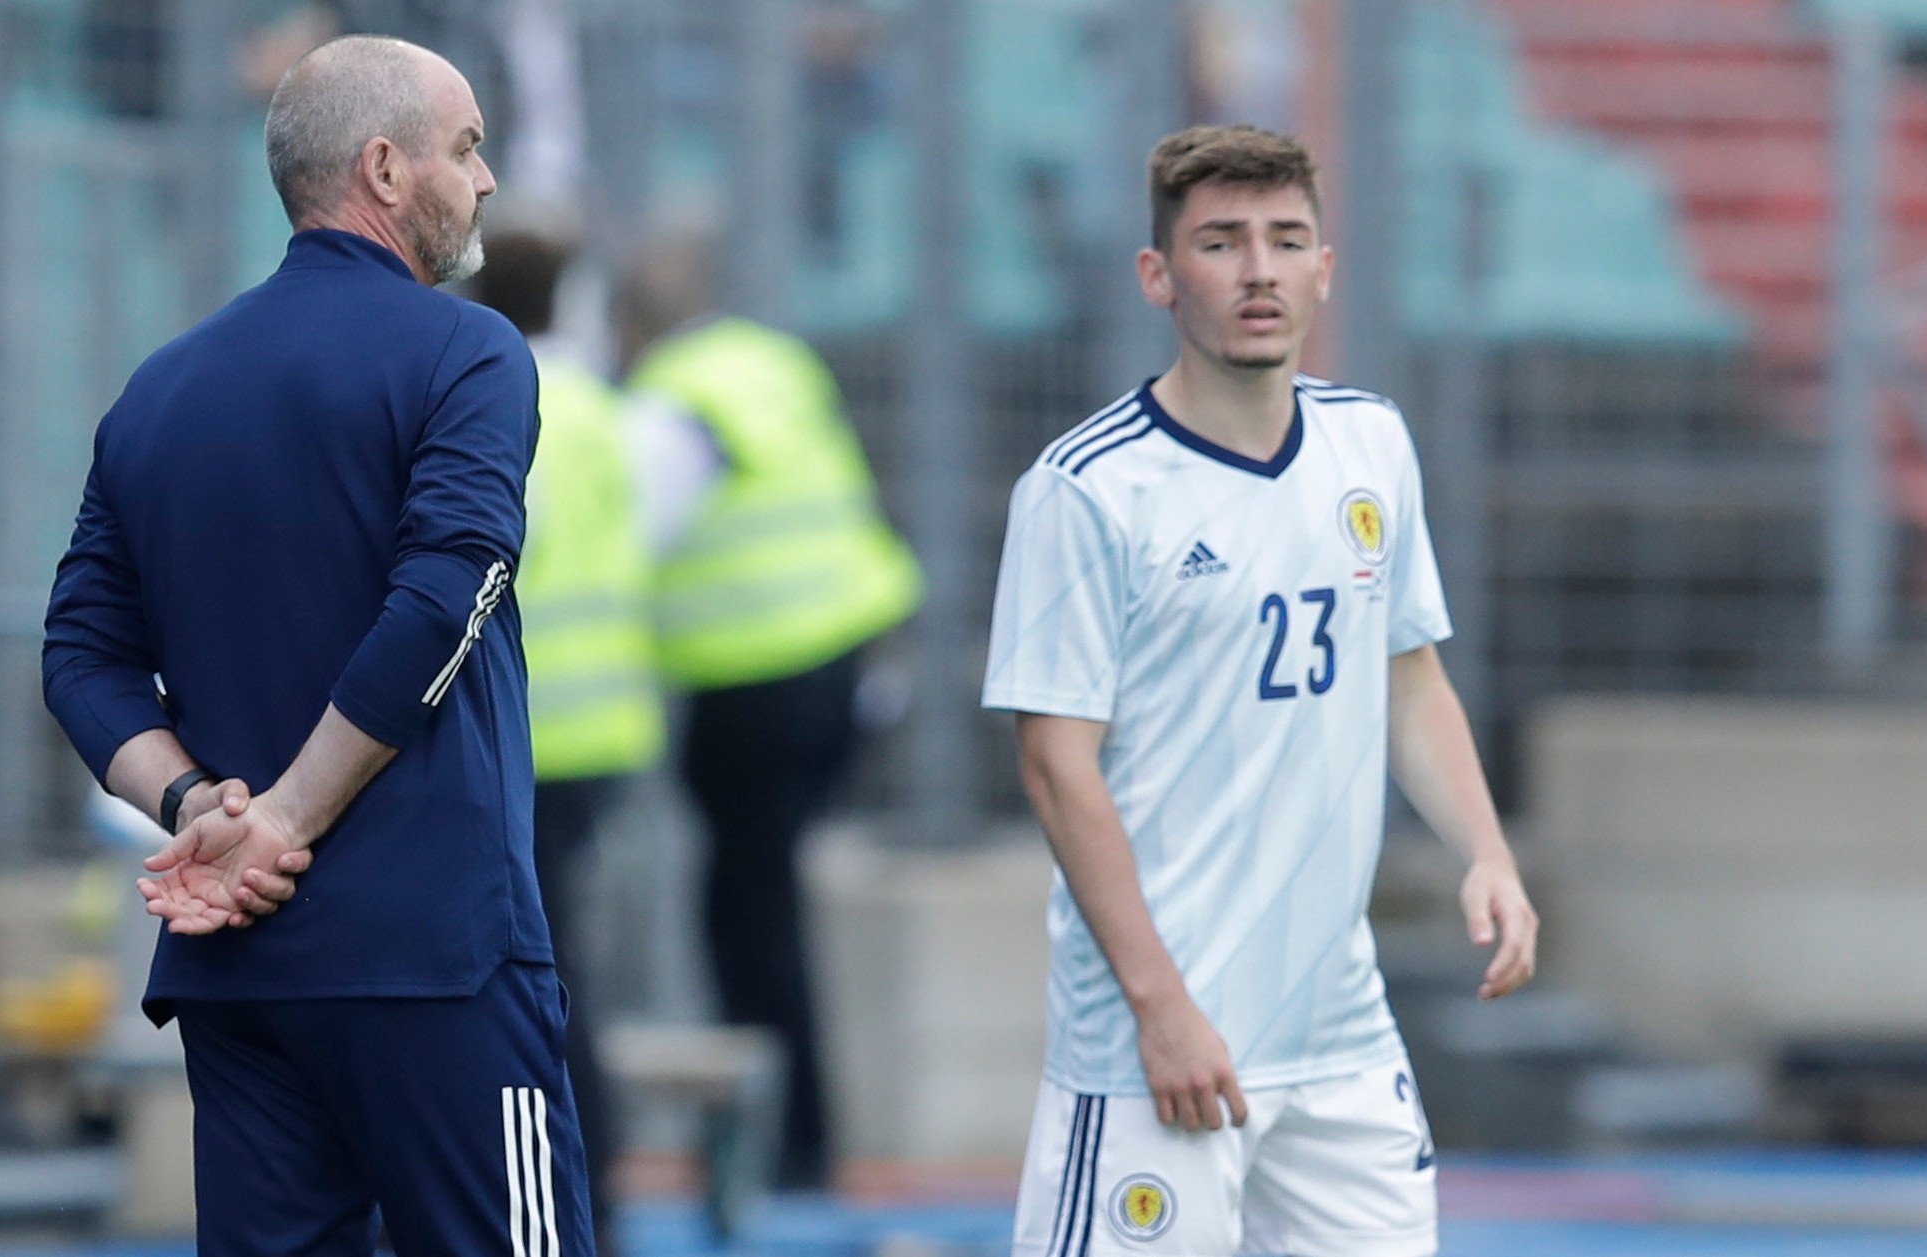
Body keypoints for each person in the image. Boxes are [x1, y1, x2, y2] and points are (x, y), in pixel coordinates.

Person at [41, 36, 594, 1257]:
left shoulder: (162, 387)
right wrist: (280, 817)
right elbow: (448, 593)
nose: (488, 178)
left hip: (241, 974)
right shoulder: (469, 350)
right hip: (435, 954)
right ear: (386, 170)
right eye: (466, 146)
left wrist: (192, 804)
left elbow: (79, 654)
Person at [981, 125, 1538, 1257]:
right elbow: (1054, 763)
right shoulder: (1085, 492)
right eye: (1220, 242)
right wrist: (1159, 1008)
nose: (1257, 272)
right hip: (1161, 1044)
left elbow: (1405, 668)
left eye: (1286, 241)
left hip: (1336, 1034)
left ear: (1323, 270)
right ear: (1156, 275)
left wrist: (1486, 850)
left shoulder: (1369, 444)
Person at [617, 238, 924, 1189]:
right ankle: (794, 1135)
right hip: (846, 658)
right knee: (766, 904)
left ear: (632, 325)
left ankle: (789, 1141)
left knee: (747, 916)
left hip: (752, 684)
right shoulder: (771, 360)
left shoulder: (670, 403)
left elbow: (630, 531)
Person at [475, 226, 663, 1255]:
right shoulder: (599, 407)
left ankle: (565, 1200)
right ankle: (587, 1196)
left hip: (525, 734)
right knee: (554, 970)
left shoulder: (507, 403)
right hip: (603, 725)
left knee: (528, 979)